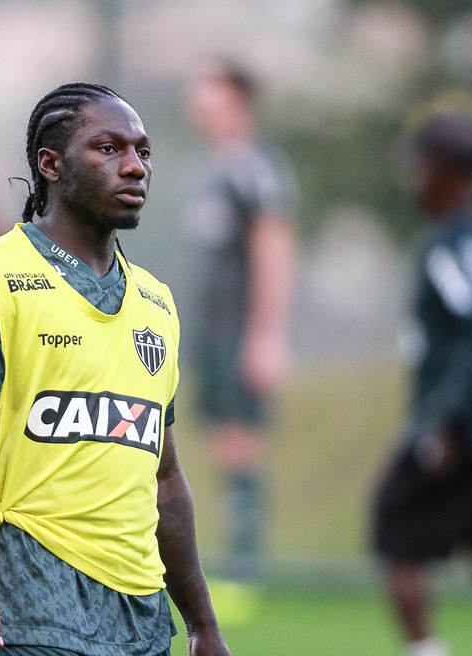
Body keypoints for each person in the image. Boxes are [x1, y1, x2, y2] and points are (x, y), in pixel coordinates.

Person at [0, 82, 232, 656]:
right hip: (30, 596)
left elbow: (165, 477)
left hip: (140, 614)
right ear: (51, 165)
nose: (135, 167)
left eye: (143, 152)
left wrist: (202, 624)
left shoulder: (156, 303)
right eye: (109, 149)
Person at [371, 110, 472, 656]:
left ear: (445, 172)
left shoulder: (452, 247)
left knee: (394, 529)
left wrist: (441, 420)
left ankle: (426, 650)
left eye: (420, 165)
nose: (413, 178)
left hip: (469, 428)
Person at [181, 60, 297, 582]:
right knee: (221, 439)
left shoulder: (255, 166)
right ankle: (234, 559)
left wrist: (266, 334)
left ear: (237, 101)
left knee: (241, 439)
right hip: (212, 328)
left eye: (213, 92)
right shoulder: (215, 166)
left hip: (240, 329)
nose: (201, 101)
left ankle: (246, 566)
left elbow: (274, 244)